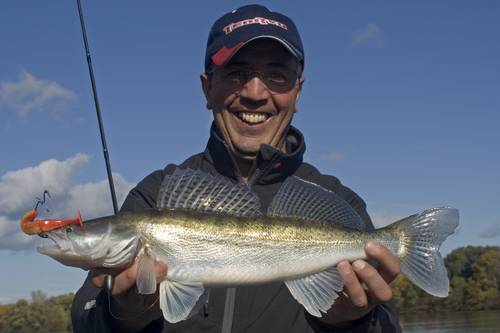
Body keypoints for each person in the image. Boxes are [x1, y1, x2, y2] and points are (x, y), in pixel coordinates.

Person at [71, 4, 402, 333]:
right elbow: (85, 319)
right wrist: (121, 314)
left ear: (297, 91)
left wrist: (351, 322)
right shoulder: (154, 195)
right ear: (207, 87)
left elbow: (387, 326)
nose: (255, 93)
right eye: (235, 73)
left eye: (276, 75)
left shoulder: (334, 200)